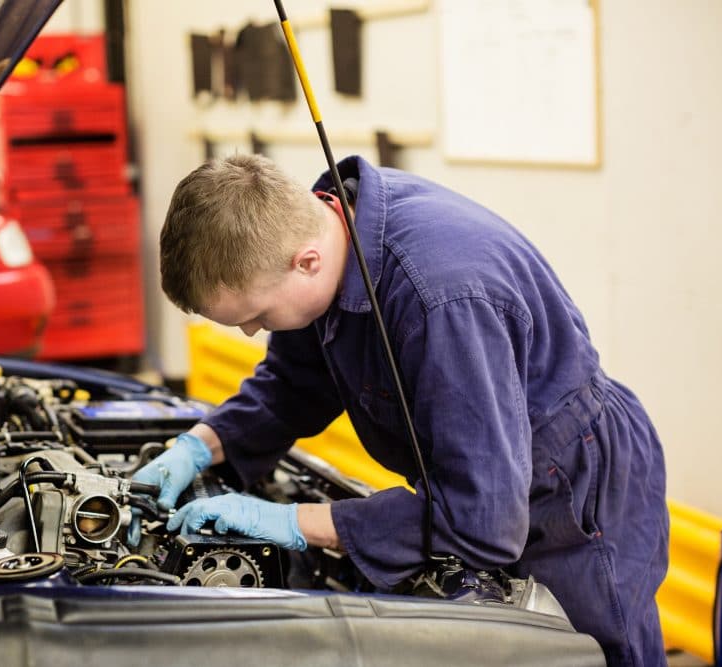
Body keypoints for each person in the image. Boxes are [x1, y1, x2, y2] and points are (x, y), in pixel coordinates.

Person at [136, 153, 668, 666]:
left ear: (306, 263)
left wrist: (290, 521)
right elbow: (293, 385)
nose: (252, 332)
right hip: (494, 475)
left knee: (593, 654)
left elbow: (480, 519)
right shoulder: (326, 227)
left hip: (572, 491)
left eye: (256, 316)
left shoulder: (442, 301)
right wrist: (198, 446)